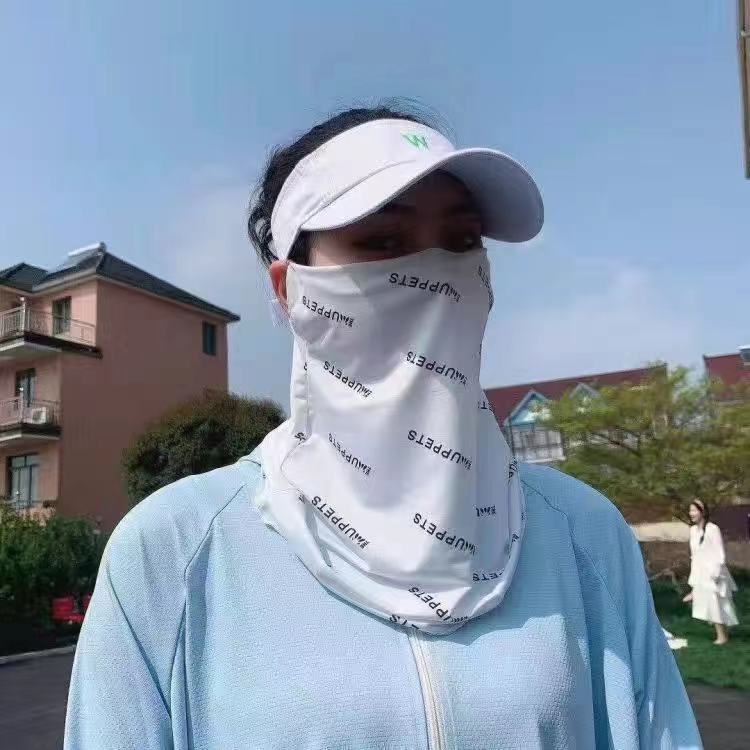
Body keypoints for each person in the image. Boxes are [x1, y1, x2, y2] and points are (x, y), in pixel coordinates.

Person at [64, 104, 702, 749]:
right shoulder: (174, 549)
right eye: (381, 242)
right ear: (289, 289)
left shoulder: (584, 532)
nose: (434, 273)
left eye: (461, 241)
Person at [682, 500, 739, 644]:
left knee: (716, 603)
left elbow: (719, 553)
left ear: (702, 512)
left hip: (713, 572)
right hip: (701, 572)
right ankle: (695, 593)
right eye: (690, 510)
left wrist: (715, 574)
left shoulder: (713, 529)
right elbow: (695, 555)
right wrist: (694, 579)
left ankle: (722, 636)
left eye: (694, 510)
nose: (691, 513)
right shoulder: (693, 530)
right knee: (710, 603)